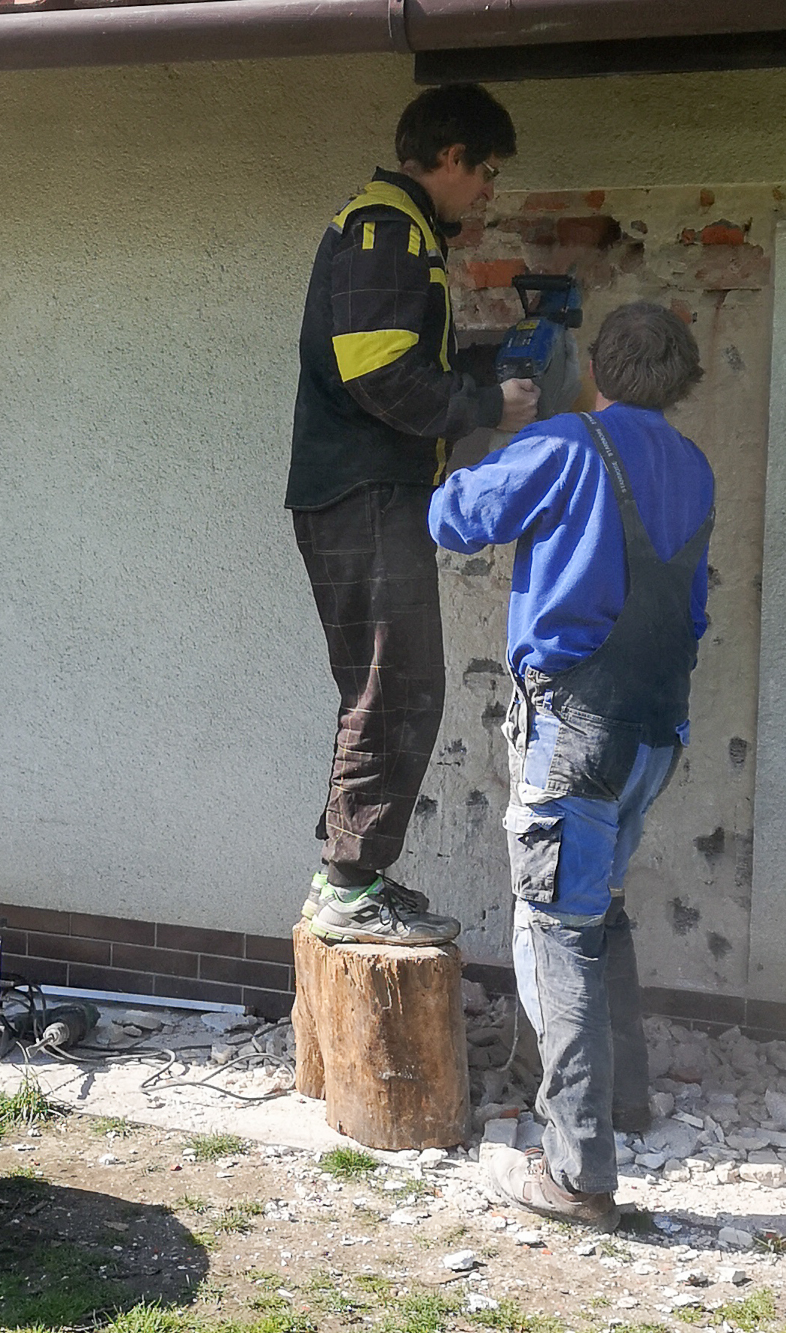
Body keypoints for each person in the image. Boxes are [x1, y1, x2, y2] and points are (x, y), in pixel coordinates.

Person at [425, 302, 715, 1229]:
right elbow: (693, 607)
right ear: (682, 381)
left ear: (595, 368)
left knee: (557, 931)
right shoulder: (694, 465)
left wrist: (478, 431)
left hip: (574, 725)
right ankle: (622, 1102)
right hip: (656, 727)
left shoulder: (564, 444)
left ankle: (578, 1174)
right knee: (600, 909)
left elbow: (453, 520)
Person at [288, 83, 540, 947]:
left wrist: (486, 363)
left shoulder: (397, 230)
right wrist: (486, 404)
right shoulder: (387, 229)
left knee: (390, 684)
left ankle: (349, 875)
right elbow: (381, 377)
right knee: (394, 685)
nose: (490, 190)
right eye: (487, 171)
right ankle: (350, 885)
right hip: (365, 491)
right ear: (451, 156)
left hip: (366, 492)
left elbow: (397, 358)